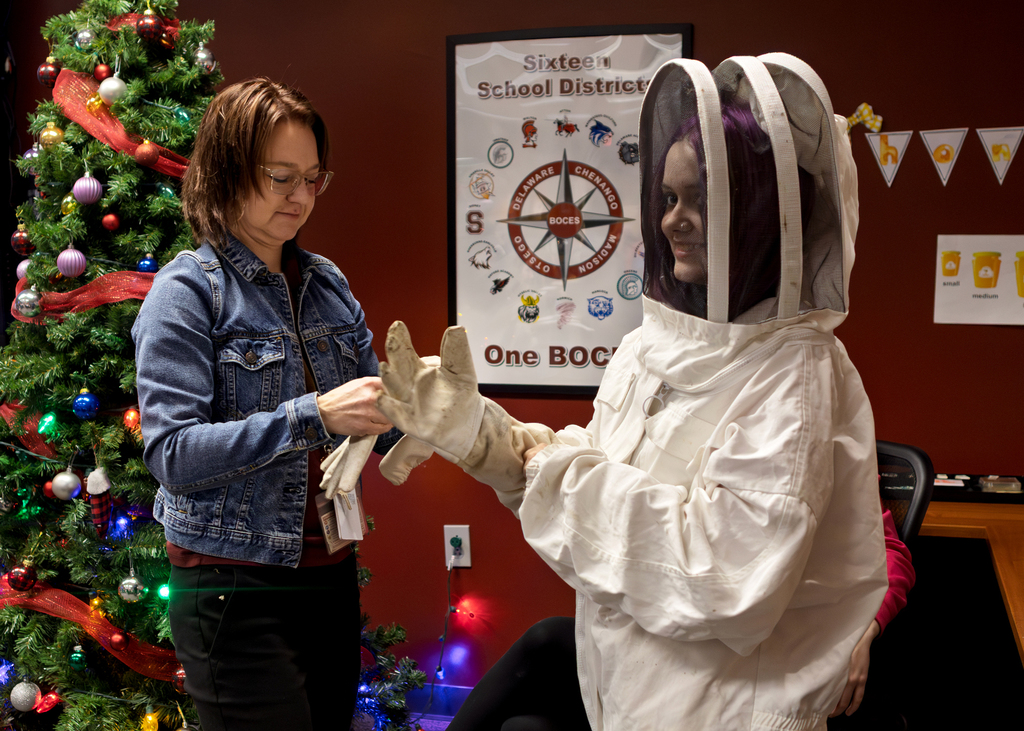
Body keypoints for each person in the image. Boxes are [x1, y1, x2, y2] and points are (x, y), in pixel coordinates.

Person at [376, 53, 888, 730]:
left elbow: (722, 576)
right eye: (669, 198)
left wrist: (543, 470)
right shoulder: (655, 342)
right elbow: (600, 456)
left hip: (724, 709)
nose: (675, 219)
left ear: (761, 212)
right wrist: (493, 442)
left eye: (702, 200)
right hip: (629, 689)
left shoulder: (795, 371)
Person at [132, 78, 399, 731]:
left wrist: (421, 405)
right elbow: (173, 455)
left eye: (313, 177)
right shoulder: (186, 294)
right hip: (233, 586)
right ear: (225, 172)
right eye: (281, 177)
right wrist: (314, 415)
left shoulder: (327, 282)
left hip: (330, 575)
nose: (302, 197)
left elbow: (377, 422)